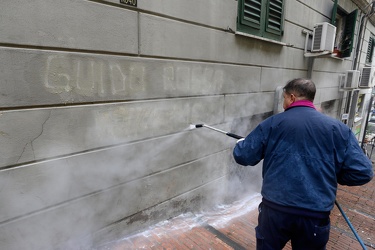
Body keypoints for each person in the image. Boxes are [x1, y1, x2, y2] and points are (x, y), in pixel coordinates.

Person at [233, 78, 373, 250]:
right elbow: (363, 172)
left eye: (284, 98)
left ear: (291, 97)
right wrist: (331, 175)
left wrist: (242, 143)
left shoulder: (273, 124)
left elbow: (243, 156)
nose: (283, 102)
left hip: (275, 212)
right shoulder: (338, 129)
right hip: (314, 215)